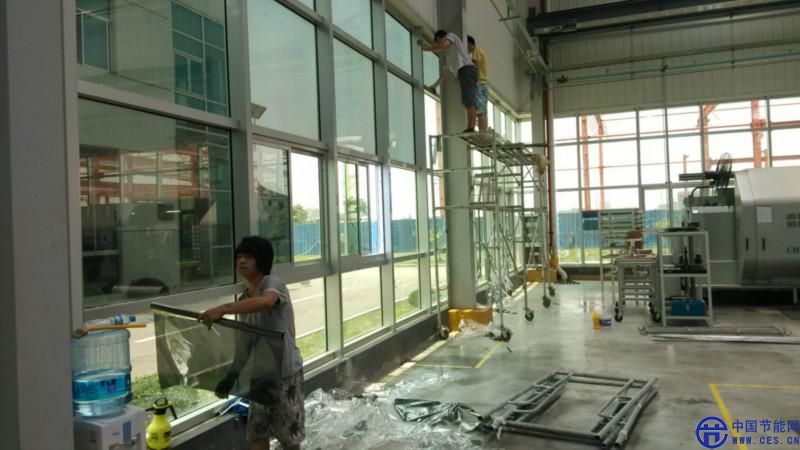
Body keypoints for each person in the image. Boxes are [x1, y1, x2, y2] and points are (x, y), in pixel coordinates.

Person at [199, 236, 304, 450]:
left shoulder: (272, 283)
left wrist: (223, 309)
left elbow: (266, 302)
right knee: (257, 432)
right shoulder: (244, 300)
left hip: (285, 374)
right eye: (239, 256)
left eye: (248, 257)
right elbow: (245, 344)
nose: (242, 261)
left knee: (289, 436)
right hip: (261, 376)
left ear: (261, 260)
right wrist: (231, 376)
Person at [418, 30, 479, 133]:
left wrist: (426, 48)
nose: (438, 45)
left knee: (469, 100)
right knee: (468, 100)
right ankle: (471, 127)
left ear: (441, 38)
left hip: (466, 70)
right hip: (467, 71)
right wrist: (434, 85)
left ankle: (471, 128)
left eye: (438, 42)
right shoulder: (449, 54)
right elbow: (444, 74)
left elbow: (443, 46)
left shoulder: (451, 36)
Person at [467, 36, 489, 133]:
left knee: (479, 111)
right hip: (483, 84)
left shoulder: (476, 51)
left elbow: (475, 67)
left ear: (469, 43)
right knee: (482, 111)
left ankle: (482, 132)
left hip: (479, 84)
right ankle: (483, 132)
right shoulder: (482, 52)